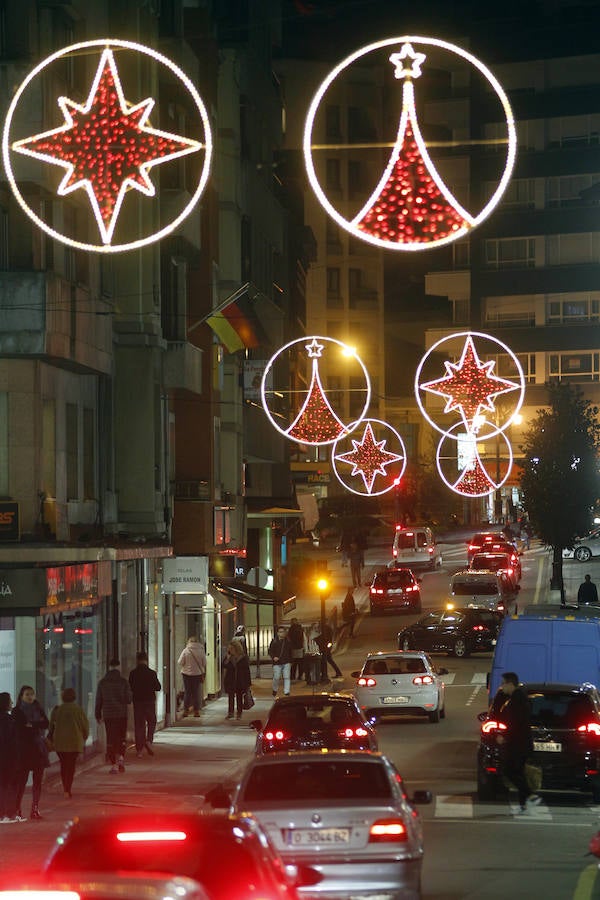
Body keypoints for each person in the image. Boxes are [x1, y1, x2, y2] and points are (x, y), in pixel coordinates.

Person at [496, 671, 541, 813]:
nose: (501, 687)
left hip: (518, 744)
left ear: (510, 684)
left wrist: (504, 737)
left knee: (509, 771)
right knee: (519, 773)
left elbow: (515, 723)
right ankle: (523, 805)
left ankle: (530, 795)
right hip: (521, 743)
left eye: (503, 683)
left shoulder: (517, 700)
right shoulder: (517, 697)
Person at [12, 685, 49, 820]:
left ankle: (35, 808)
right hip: (24, 750)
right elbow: (20, 728)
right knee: (21, 781)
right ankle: (17, 808)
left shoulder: (38, 708)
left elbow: (46, 723)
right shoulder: (17, 711)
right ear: (21, 696)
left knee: (37, 781)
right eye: (27, 694)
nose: (30, 697)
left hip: (38, 749)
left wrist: (32, 724)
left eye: (32, 694)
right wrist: (35, 724)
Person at [48, 687, 89, 799]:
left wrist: (51, 738)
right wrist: (84, 737)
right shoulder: (78, 709)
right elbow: (85, 726)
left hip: (60, 742)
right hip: (74, 742)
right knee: (71, 766)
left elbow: (51, 726)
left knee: (63, 764)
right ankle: (67, 789)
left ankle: (65, 787)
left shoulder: (57, 710)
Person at [95, 659, 132, 775]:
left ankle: (113, 764)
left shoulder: (102, 682)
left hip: (109, 715)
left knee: (111, 739)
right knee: (121, 738)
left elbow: (98, 700)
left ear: (109, 667)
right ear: (119, 667)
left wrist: (97, 714)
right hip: (122, 714)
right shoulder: (123, 682)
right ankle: (121, 757)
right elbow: (128, 699)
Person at [128, 651, 161, 758]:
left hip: (137, 701)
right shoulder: (151, 673)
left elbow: (130, 687)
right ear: (146, 660)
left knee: (139, 724)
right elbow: (158, 687)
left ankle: (139, 750)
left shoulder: (133, 673)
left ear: (137, 660)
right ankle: (149, 740)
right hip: (149, 701)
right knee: (151, 721)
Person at [0, 692, 19, 823]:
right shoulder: (8, 720)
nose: (12, 703)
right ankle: (6, 813)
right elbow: (12, 741)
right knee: (8, 785)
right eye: (10, 700)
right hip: (7, 758)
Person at [177, 636, 206, 717]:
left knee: (187, 692)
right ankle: (196, 711)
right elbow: (204, 663)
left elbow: (180, 662)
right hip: (197, 674)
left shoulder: (186, 650)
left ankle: (186, 711)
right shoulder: (201, 650)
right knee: (196, 692)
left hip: (186, 674)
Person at [222, 639, 252, 720]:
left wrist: (248, 683)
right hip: (231, 680)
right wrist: (227, 659)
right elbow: (224, 666)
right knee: (230, 697)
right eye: (229, 649)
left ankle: (239, 713)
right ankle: (230, 713)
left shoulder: (243, 658)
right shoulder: (229, 657)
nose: (230, 650)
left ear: (236, 649)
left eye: (231, 649)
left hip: (240, 680)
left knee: (239, 697)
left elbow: (247, 671)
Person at [268, 625, 292, 697]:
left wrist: (291, 661)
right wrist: (273, 657)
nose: (282, 633)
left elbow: (290, 652)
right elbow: (270, 651)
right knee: (276, 677)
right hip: (277, 662)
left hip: (286, 661)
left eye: (283, 632)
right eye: (280, 632)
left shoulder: (288, 641)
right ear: (278, 633)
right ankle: (275, 689)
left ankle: (286, 691)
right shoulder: (274, 641)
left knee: (287, 677)